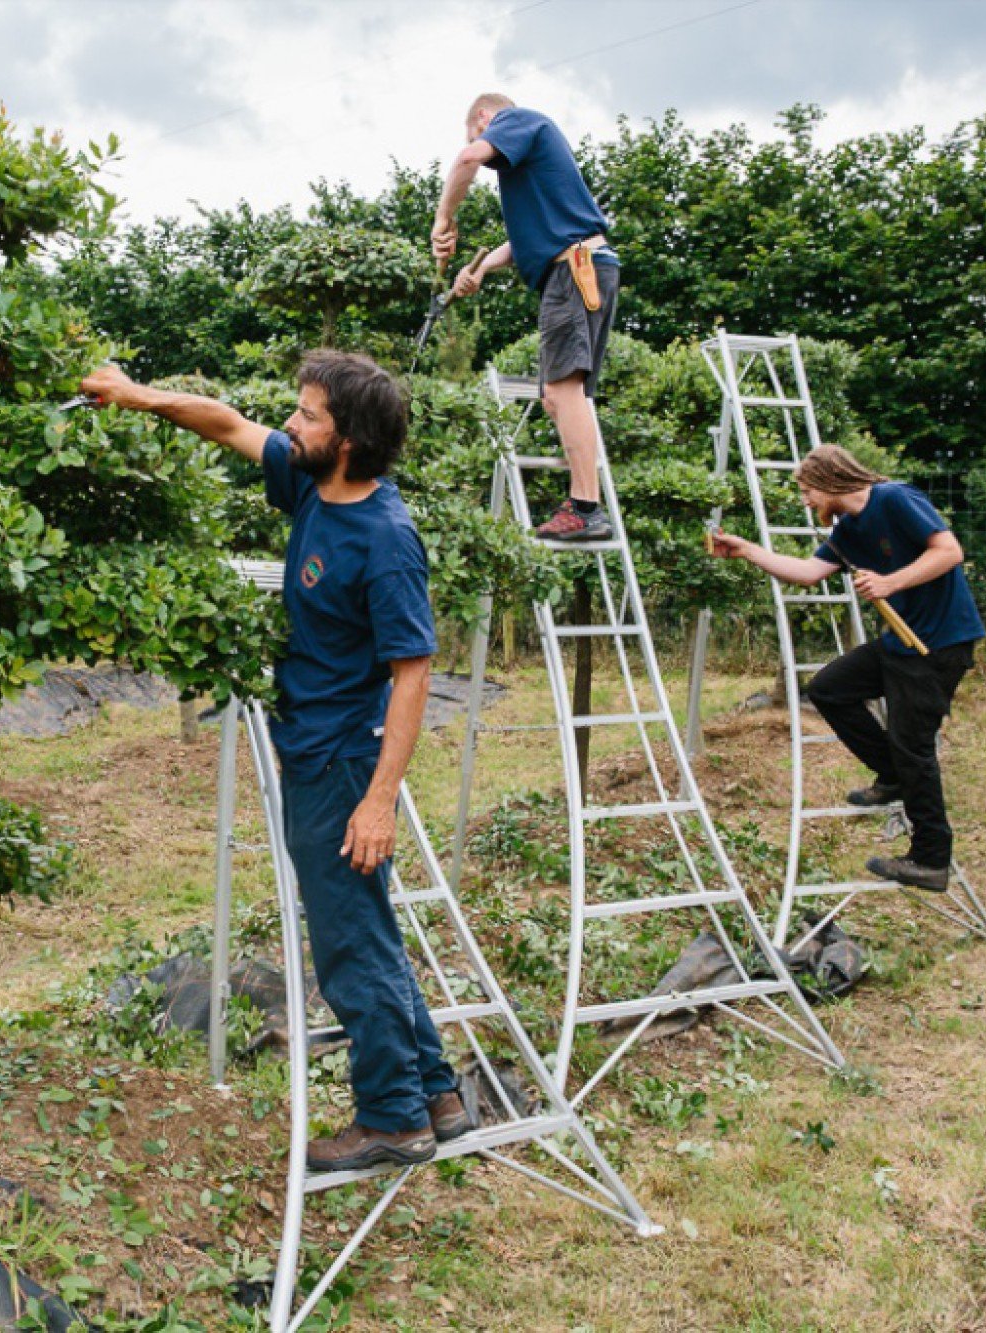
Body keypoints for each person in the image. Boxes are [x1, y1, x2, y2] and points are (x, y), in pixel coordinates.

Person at [79, 351, 469, 1172]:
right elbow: (223, 421)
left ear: (351, 441)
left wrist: (379, 800)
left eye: (309, 415)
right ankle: (434, 1090)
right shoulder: (311, 482)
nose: (291, 425)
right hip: (315, 751)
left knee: (347, 945)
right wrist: (135, 394)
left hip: (339, 765)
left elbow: (414, 673)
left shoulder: (386, 540)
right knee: (369, 931)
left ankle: (392, 1117)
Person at [707, 445, 986, 891]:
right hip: (899, 645)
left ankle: (931, 860)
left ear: (828, 480)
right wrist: (747, 551)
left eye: (806, 491)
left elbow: (949, 551)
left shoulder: (894, 498)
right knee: (830, 689)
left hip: (939, 642)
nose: (806, 501)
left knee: (913, 746)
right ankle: (891, 773)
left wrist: (890, 582)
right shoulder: (849, 530)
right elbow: (807, 572)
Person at [430, 92, 621, 542]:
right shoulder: (531, 175)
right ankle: (584, 504)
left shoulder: (519, 121)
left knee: (562, 389)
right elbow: (522, 245)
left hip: (574, 270)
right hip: (576, 266)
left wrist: (443, 218)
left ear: (483, 118)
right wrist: (477, 269)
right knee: (557, 397)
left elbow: (466, 159)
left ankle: (586, 508)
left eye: (479, 132)